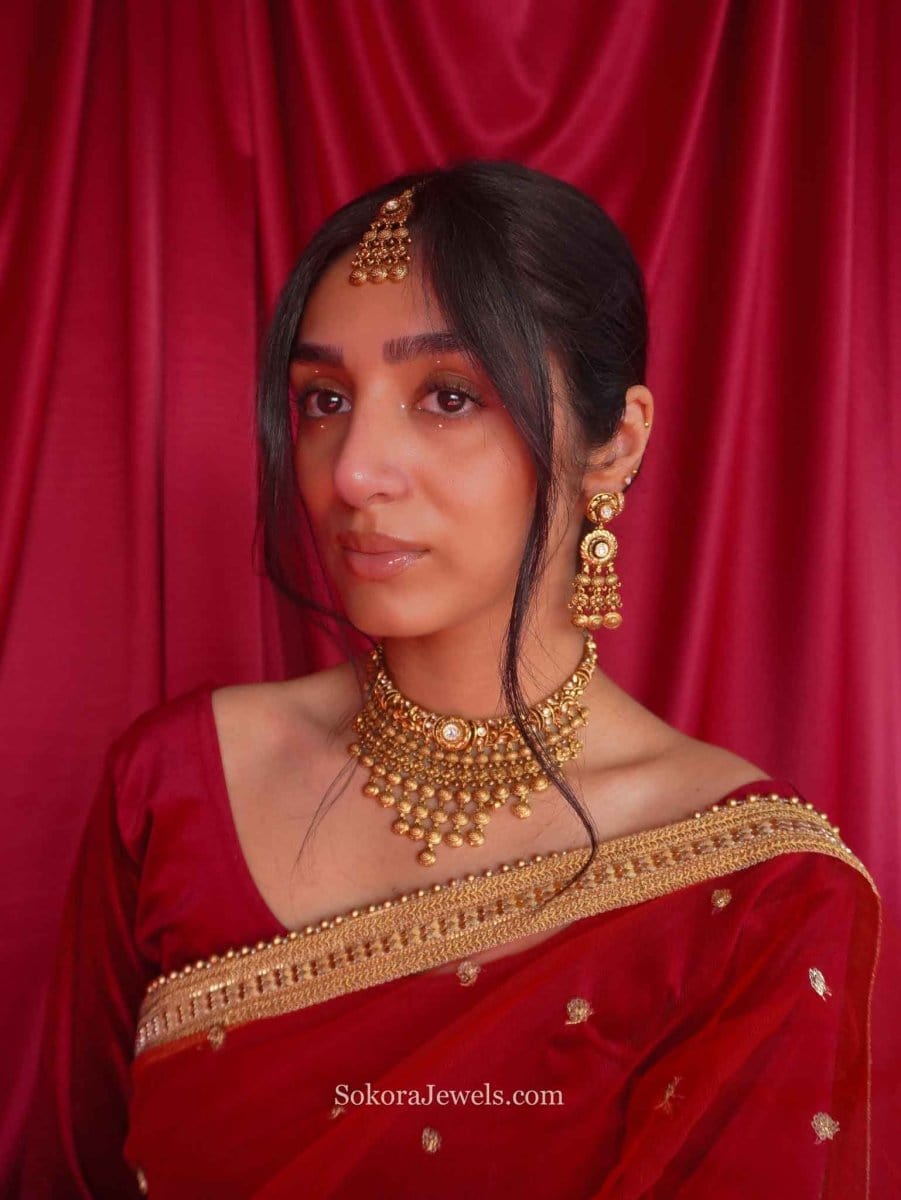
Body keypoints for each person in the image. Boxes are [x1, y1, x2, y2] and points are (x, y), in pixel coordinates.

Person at [21, 161, 897, 1198]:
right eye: (323, 399)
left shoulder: (757, 894)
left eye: (447, 396)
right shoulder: (174, 784)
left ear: (614, 446)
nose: (352, 471)